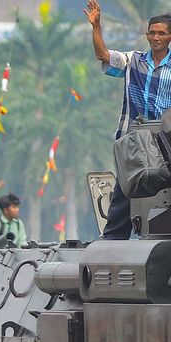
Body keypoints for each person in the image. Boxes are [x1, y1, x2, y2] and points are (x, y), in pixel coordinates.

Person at [87, 1, 171, 239]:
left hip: (166, 139)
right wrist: (96, 27)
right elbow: (102, 55)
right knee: (125, 189)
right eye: (152, 33)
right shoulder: (134, 60)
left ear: (170, 37)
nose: (156, 37)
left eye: (161, 33)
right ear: (146, 35)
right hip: (135, 137)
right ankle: (113, 238)